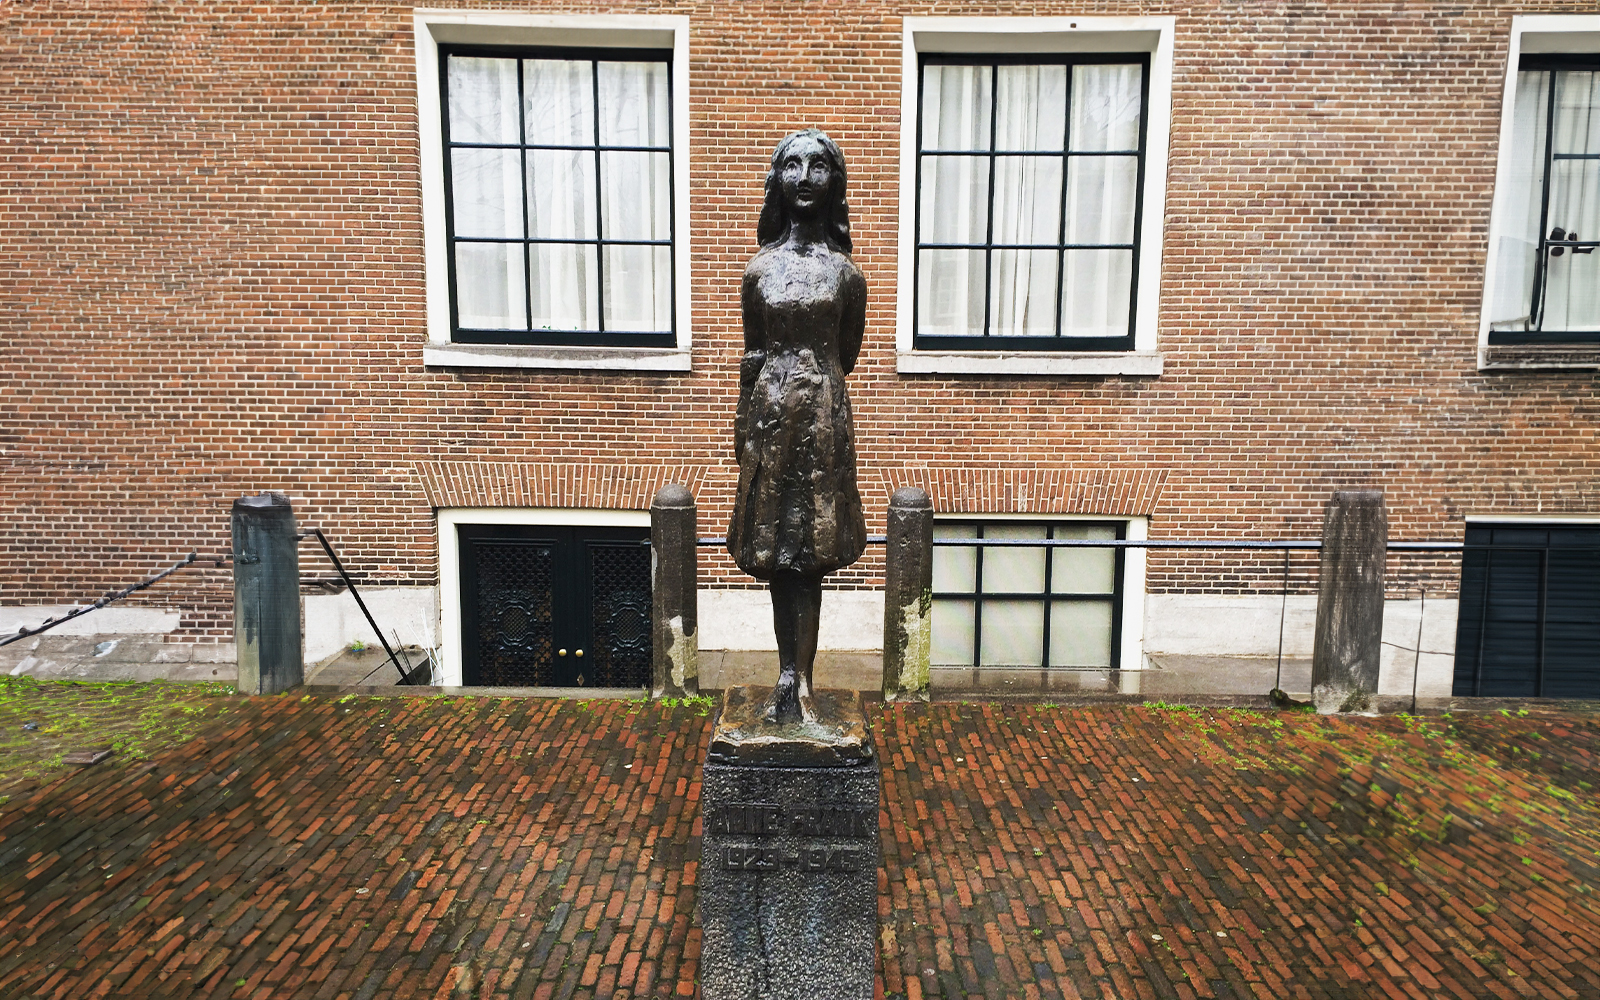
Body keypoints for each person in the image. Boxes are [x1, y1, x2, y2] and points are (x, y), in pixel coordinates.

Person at [727, 129, 868, 723]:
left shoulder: (845, 275)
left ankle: (801, 682)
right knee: (777, 553)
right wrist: (744, 428)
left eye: (818, 165)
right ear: (777, 181)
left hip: (821, 422)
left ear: (834, 182)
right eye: (792, 164)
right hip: (769, 420)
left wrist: (814, 399)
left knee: (810, 553)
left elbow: (847, 354)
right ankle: (788, 675)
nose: (805, 175)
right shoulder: (759, 272)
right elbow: (753, 355)